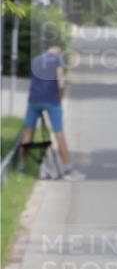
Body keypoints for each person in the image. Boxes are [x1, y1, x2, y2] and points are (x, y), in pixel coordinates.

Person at [19, 45, 84, 180]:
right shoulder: (57, 60)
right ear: (58, 53)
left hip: (34, 100)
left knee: (28, 132)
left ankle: (21, 168)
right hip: (51, 100)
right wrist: (60, 98)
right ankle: (68, 170)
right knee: (59, 133)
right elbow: (60, 82)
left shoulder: (36, 60)